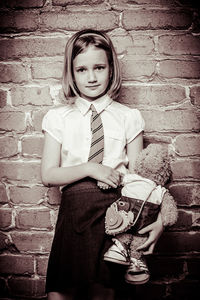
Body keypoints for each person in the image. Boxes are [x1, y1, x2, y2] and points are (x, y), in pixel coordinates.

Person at [41, 29, 164, 300]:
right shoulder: (57, 117)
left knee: (104, 294)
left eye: (99, 67)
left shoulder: (128, 117)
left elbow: (141, 182)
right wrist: (90, 167)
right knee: (60, 295)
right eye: (82, 69)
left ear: (111, 69)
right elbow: (48, 175)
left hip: (115, 216)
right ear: (71, 73)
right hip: (73, 215)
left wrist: (159, 222)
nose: (92, 77)